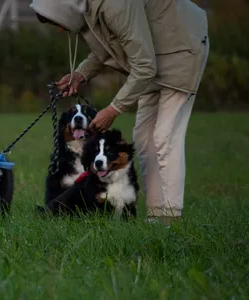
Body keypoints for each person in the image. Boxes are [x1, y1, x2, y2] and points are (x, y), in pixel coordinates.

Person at [30, 0, 209, 225]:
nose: (58, 29)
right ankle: (156, 216)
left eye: (54, 22)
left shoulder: (114, 4)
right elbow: (110, 48)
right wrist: (81, 74)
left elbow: (143, 66)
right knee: (144, 141)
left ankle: (172, 218)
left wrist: (114, 109)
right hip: (153, 60)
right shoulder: (90, 8)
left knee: (165, 138)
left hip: (181, 50)